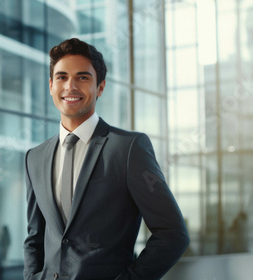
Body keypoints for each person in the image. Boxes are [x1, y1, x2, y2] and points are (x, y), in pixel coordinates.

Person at [23, 38, 189, 280]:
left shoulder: (129, 148)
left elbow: (173, 233)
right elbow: (35, 237)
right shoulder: (34, 158)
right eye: (61, 77)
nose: (70, 86)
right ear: (50, 85)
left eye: (82, 77)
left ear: (100, 87)